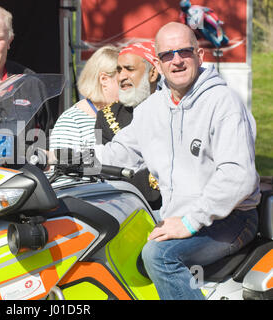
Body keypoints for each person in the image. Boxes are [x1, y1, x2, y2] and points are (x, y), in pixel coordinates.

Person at [93, 22, 260, 299]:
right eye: (168, 54)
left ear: (200, 56)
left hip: (231, 217)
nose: (177, 60)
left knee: (160, 256)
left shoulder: (223, 102)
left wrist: (189, 222)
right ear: (158, 64)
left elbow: (237, 176)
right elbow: (115, 154)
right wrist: (56, 157)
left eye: (184, 52)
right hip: (178, 213)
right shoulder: (151, 110)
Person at [95, 41, 161, 210]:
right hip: (125, 209)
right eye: (119, 70)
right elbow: (104, 173)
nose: (121, 76)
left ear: (152, 73)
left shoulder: (173, 108)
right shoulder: (106, 116)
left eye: (129, 69)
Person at [49, 45, 120, 151]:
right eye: (122, 82)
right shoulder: (71, 122)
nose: (128, 88)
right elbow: (60, 165)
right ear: (104, 80)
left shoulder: (128, 113)